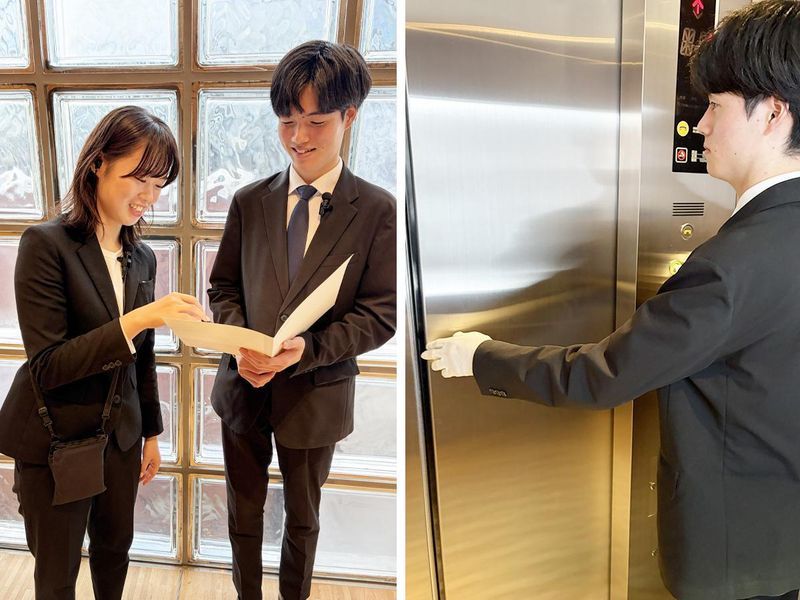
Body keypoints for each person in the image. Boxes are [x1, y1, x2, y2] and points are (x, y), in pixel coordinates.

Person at [422, 2, 800, 600]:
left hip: (735, 555)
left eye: (715, 106)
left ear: (773, 113)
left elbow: (604, 374)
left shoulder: (731, 267)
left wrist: (481, 356)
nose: (699, 126)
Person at [208, 41, 396, 600]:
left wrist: (308, 349)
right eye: (287, 121)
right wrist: (239, 342)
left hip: (317, 393)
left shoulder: (376, 210)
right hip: (243, 386)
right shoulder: (249, 201)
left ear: (349, 117)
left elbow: (379, 314)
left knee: (303, 519)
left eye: (316, 121)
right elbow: (223, 288)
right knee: (242, 514)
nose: (299, 137)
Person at [0, 106, 206, 600]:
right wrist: (138, 318)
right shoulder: (46, 244)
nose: (149, 196)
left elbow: (142, 358)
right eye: (139, 178)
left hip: (121, 439)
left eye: (159, 184)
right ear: (98, 163)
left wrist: (151, 433)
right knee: (58, 573)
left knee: (115, 555)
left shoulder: (142, 256)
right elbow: (49, 366)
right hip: (58, 440)